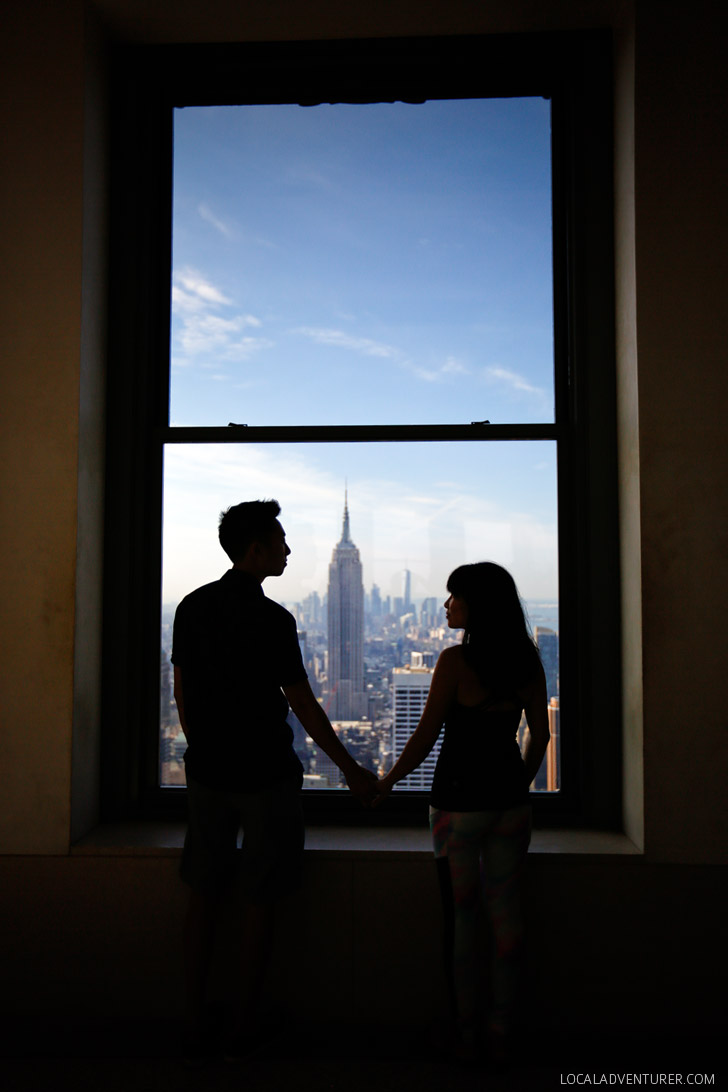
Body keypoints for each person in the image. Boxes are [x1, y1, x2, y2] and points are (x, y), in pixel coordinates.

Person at [172, 499, 376, 1061]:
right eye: (280, 542)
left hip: (208, 773)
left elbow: (182, 692)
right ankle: (243, 1024)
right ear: (255, 549)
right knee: (262, 898)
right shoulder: (274, 620)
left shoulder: (190, 608)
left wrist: (203, 747)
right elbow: (303, 704)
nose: (287, 550)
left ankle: (193, 1019)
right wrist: (352, 769)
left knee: (204, 894)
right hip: (265, 774)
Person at [375, 562, 550, 1065]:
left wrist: (387, 782)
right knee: (507, 914)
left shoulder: (455, 662)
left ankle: (466, 1032)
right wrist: (520, 780)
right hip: (510, 805)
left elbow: (425, 736)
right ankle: (501, 1029)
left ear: (477, 606)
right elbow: (540, 734)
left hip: (457, 806)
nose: (447, 605)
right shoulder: (528, 662)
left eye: (454, 597)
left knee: (463, 920)